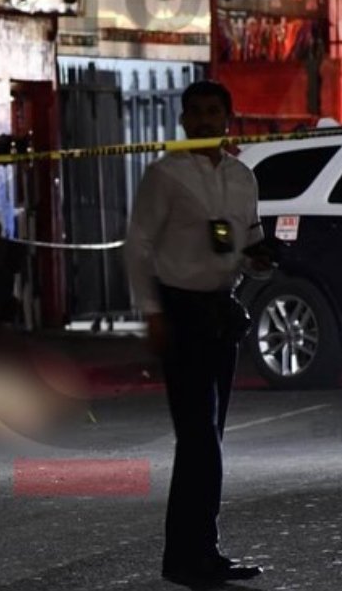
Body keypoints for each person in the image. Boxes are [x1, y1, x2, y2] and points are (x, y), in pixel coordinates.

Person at [124, 80, 271, 585]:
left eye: (213, 111)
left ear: (228, 119)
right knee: (199, 439)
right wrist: (152, 312)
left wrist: (260, 262)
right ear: (183, 120)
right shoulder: (164, 175)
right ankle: (187, 558)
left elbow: (251, 243)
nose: (205, 120)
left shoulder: (243, 177)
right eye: (196, 112)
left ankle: (200, 551)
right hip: (180, 313)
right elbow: (138, 246)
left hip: (220, 312)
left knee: (210, 438)